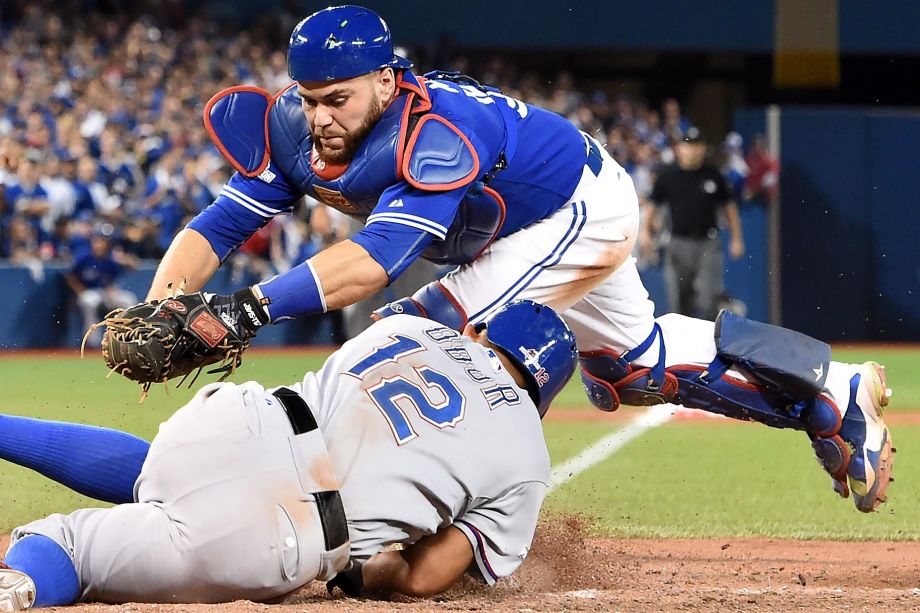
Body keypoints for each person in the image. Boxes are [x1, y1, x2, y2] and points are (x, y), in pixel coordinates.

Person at [137, 5, 892, 513]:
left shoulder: (436, 131)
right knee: (634, 369)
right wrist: (162, 300)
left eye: (335, 98)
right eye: (307, 98)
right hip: (524, 228)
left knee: (417, 330)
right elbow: (220, 224)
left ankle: (363, 508)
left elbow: (373, 265)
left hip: (575, 207)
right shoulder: (295, 128)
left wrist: (248, 307)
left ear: (385, 79)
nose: (318, 117)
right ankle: (832, 390)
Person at [0, 300, 578, 609]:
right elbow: (425, 576)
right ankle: (22, 587)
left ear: (479, 331)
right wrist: (359, 572)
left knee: (161, 473)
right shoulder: (528, 457)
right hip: (280, 530)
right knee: (70, 549)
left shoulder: (409, 328)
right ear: (543, 397)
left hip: (240, 420)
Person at [639, 127, 745, 319]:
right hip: (678, 242)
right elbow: (653, 205)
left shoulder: (713, 175)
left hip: (707, 243)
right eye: (688, 145)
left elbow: (729, 207)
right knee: (678, 302)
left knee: (708, 299)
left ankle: (709, 346)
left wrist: (737, 238)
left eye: (697, 145)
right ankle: (682, 348)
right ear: (679, 148)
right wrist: (645, 232)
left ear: (703, 149)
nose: (693, 150)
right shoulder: (668, 175)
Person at [64, 231, 138, 347]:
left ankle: (126, 338)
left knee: (128, 299)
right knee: (90, 301)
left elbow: (114, 278)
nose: (100, 244)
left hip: (104, 292)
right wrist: (79, 290)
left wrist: (112, 288)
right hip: (88, 292)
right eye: (98, 241)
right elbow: (70, 276)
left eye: (103, 241)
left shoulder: (109, 260)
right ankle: (93, 344)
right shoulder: (84, 257)